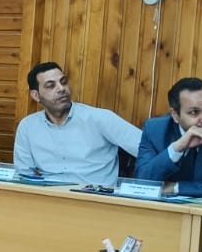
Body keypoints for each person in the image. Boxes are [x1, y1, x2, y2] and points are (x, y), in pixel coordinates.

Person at [13, 62, 141, 184]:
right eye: (51, 85)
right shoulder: (27, 126)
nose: (61, 88)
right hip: (49, 195)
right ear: (36, 95)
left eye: (63, 82)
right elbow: (24, 173)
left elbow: (146, 149)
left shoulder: (101, 118)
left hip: (95, 195)